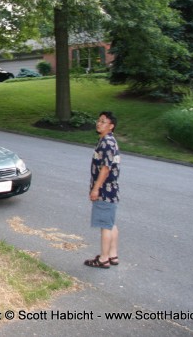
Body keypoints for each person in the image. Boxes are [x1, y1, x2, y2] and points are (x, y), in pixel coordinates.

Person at [84, 111, 121, 269]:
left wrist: (95, 189)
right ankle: (113, 254)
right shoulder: (110, 141)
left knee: (105, 225)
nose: (99, 123)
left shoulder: (106, 143)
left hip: (104, 190)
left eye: (103, 122)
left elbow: (105, 169)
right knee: (111, 223)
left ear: (111, 126)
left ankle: (103, 259)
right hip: (112, 189)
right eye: (99, 120)